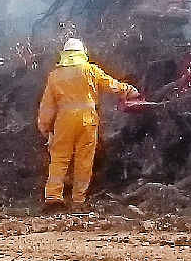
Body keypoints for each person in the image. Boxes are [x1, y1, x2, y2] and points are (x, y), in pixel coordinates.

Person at [38, 38, 140, 212]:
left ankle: (53, 197)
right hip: (87, 120)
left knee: (59, 159)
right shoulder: (89, 70)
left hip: (64, 121)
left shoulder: (55, 75)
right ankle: (78, 200)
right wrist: (128, 91)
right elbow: (110, 84)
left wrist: (45, 127)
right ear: (81, 53)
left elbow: (47, 105)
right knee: (84, 161)